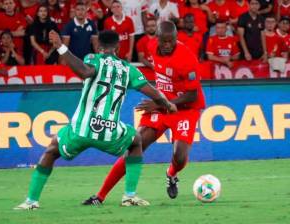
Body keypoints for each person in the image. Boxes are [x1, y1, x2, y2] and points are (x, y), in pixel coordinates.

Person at [14, 29, 177, 210]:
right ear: (118, 46)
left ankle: (31, 201)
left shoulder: (93, 58)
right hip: (110, 130)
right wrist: (168, 105)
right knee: (136, 141)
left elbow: (85, 72)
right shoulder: (129, 69)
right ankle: (129, 196)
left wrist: (61, 48)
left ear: (98, 45)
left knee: (51, 152)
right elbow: (152, 91)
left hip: (81, 129)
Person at [83, 21, 206, 205]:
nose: (166, 45)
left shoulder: (187, 59)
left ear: (176, 39)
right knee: (134, 146)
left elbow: (192, 95)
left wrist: (160, 104)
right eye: (163, 41)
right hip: (161, 104)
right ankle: (100, 196)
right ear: (156, 38)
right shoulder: (150, 46)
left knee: (179, 157)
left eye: (170, 41)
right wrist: (160, 103)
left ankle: (171, 173)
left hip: (184, 109)